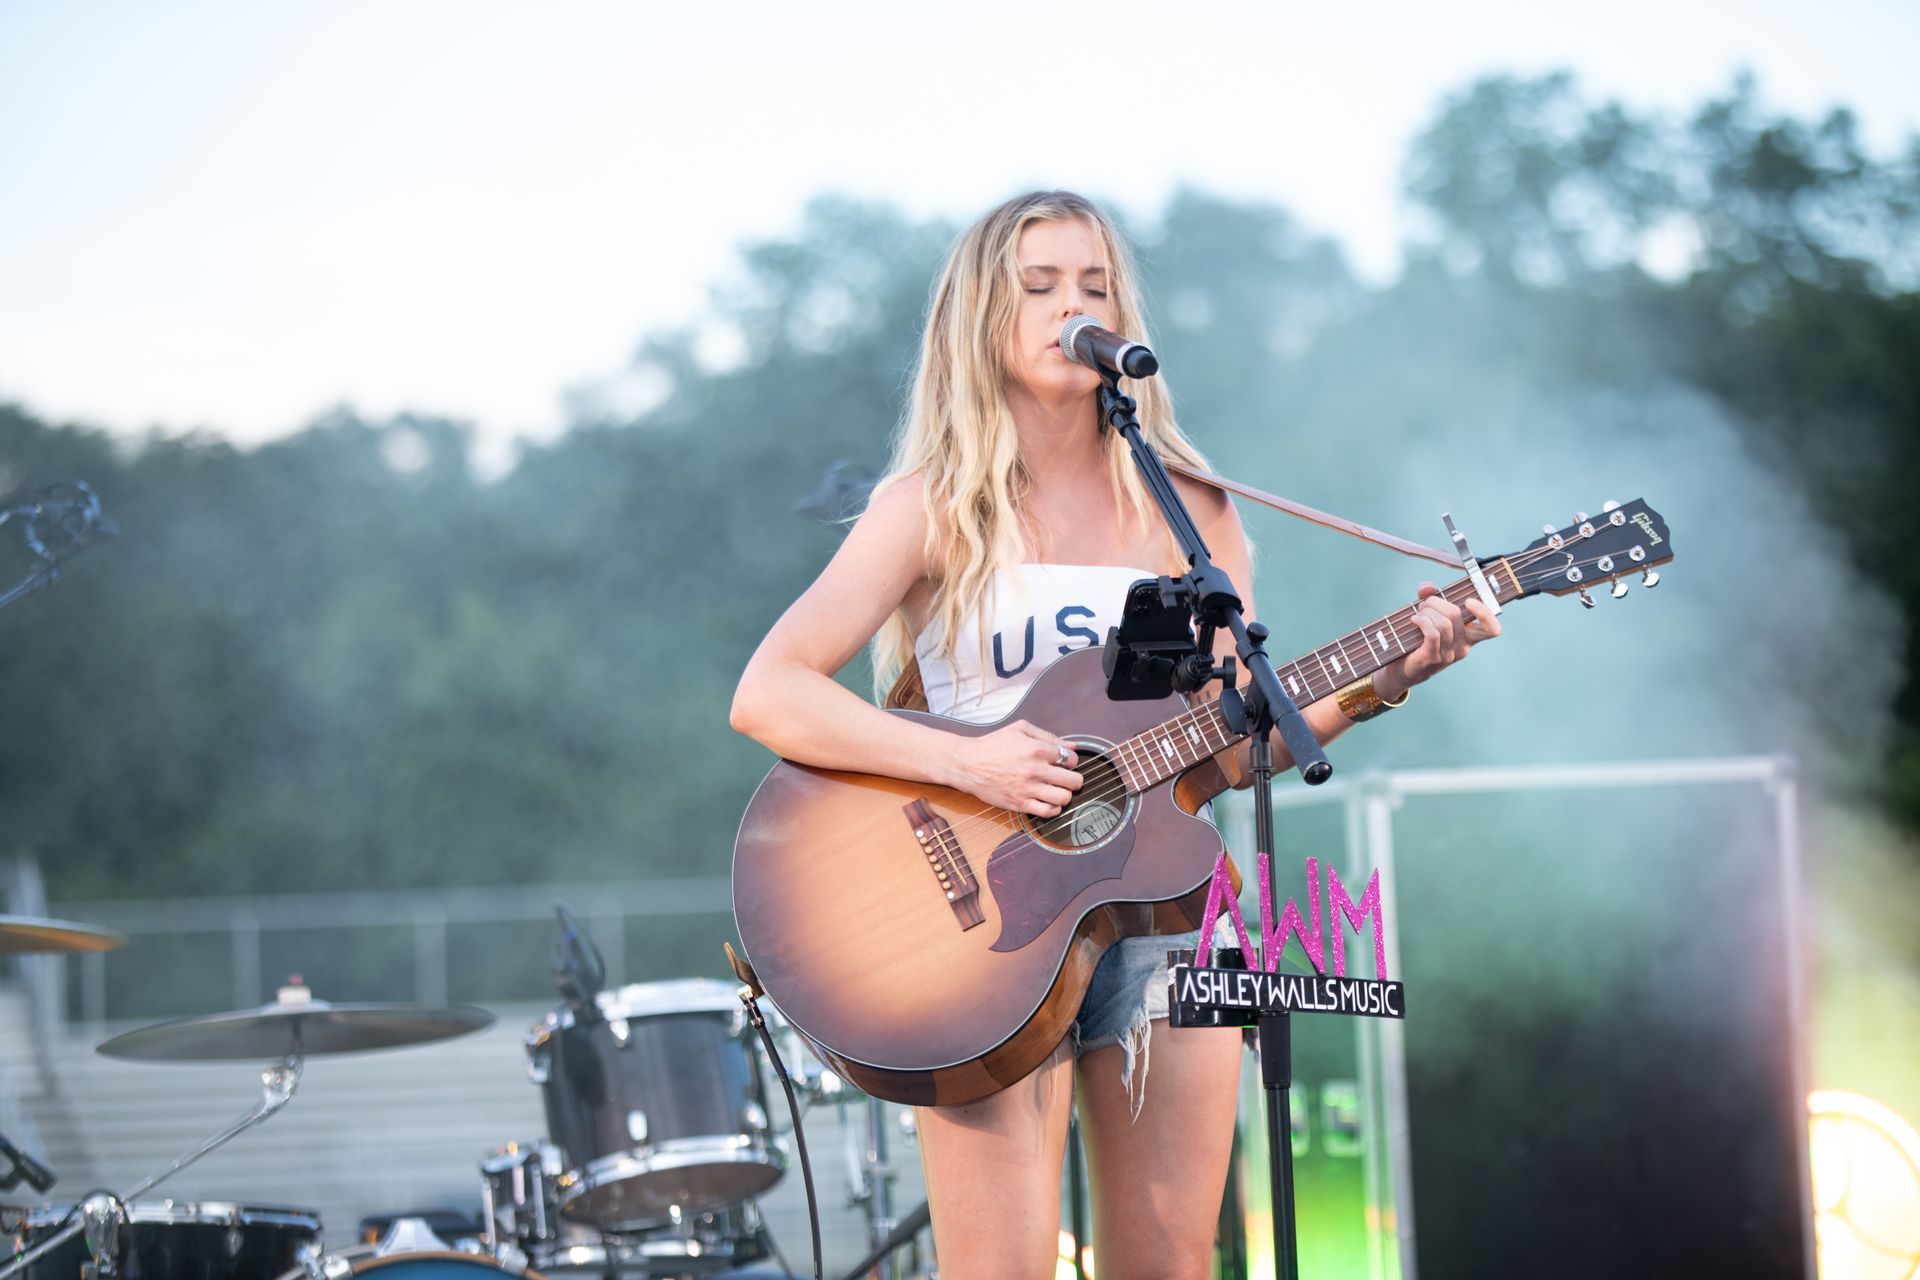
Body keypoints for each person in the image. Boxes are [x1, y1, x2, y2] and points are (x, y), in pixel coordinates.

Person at [730, 190, 1497, 1280]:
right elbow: (769, 692)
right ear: (980, 316)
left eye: (1095, 286)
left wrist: (1388, 677)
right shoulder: (932, 504)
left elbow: (1236, 742)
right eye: (1040, 286)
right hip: (977, 929)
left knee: (1170, 1263)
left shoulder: (1191, 509)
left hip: (1167, 910)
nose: (1073, 307)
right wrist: (970, 759)